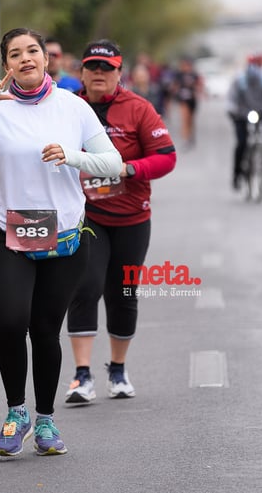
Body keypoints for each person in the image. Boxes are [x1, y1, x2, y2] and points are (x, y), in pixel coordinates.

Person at [0, 28, 122, 457]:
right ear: (6, 64)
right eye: (15, 54)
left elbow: (114, 162)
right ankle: (15, 412)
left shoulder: (73, 107)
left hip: (65, 234)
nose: (25, 59)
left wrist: (72, 156)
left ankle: (45, 420)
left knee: (44, 330)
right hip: (8, 231)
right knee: (13, 321)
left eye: (32, 51)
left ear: (44, 58)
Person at [63, 40, 177, 404]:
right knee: (85, 285)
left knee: (123, 292)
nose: (99, 73)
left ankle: (117, 368)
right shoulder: (67, 107)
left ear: (118, 73)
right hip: (86, 215)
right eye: (92, 67)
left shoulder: (138, 109)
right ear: (81, 72)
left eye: (106, 68)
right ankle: (82, 376)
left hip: (131, 216)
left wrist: (129, 168)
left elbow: (166, 157)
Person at [226, 52, 262, 190]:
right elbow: (231, 98)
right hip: (242, 114)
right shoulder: (239, 80)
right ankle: (237, 174)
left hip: (260, 111)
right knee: (241, 143)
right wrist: (231, 110)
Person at [171, 56, 203, 148]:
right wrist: (175, 92)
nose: (185, 67)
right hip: (183, 100)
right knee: (184, 119)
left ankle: (191, 137)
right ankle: (185, 139)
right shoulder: (179, 74)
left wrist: (197, 91)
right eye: (184, 65)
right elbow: (175, 86)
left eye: (187, 65)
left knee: (191, 120)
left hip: (192, 100)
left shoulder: (194, 74)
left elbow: (199, 85)